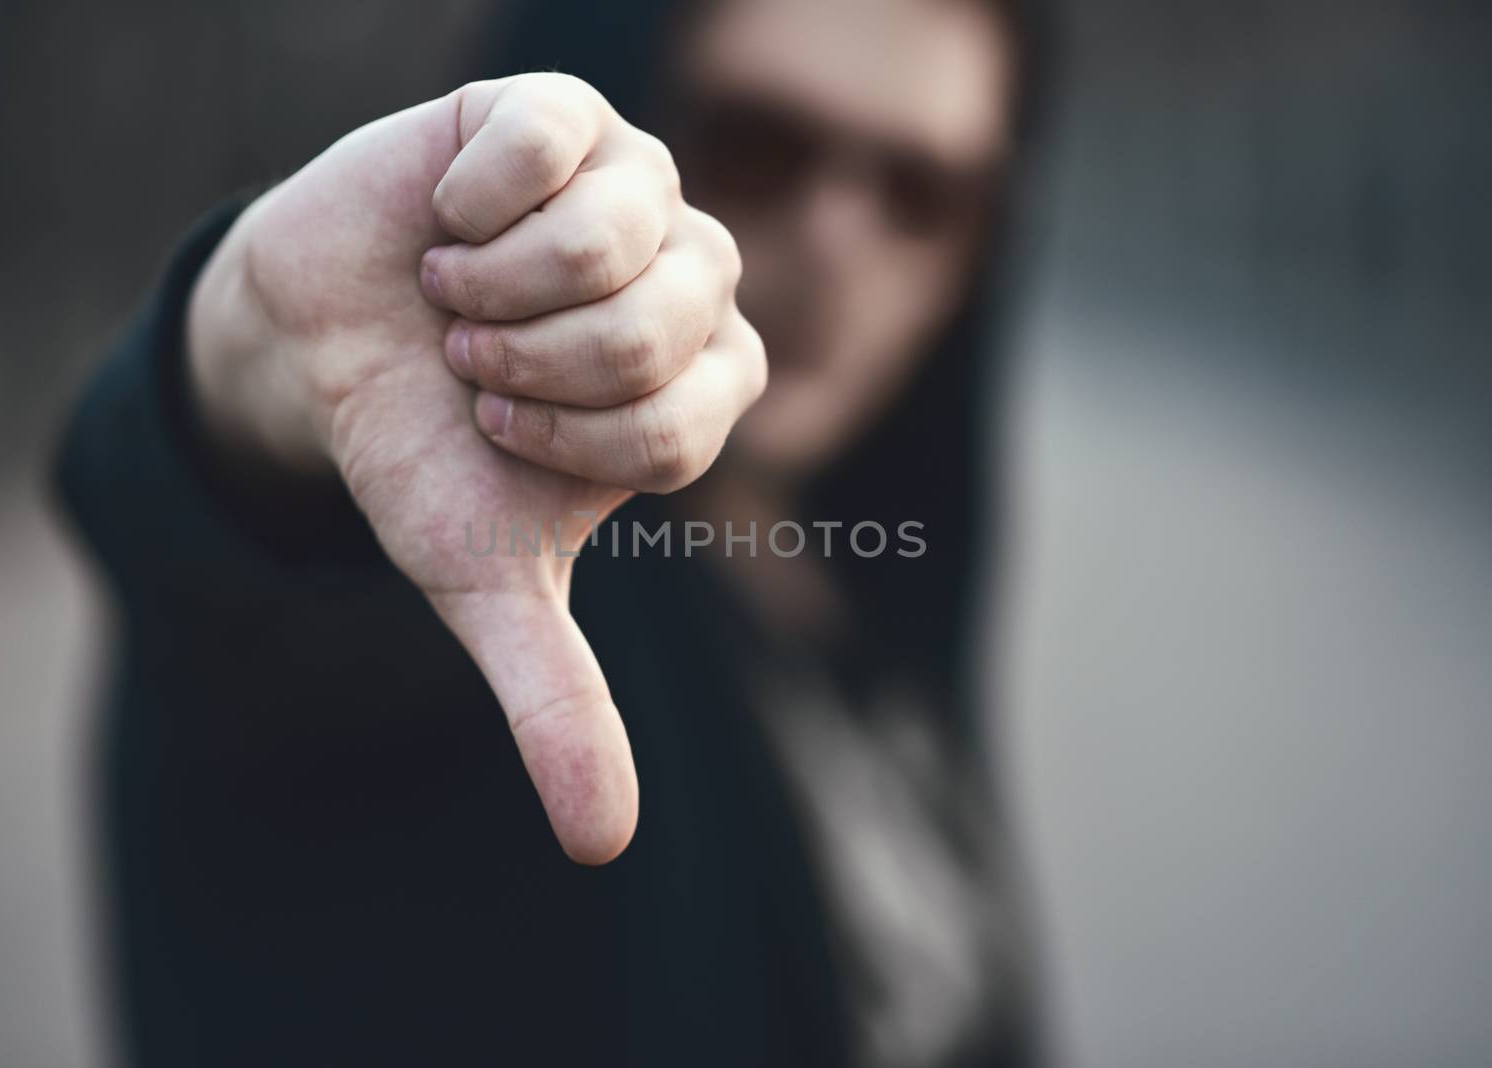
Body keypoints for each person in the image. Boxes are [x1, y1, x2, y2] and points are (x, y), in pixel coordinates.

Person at [57, 0, 1050, 1063]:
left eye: (924, 194)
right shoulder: (463, 578)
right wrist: (253, 353)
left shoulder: (870, 587)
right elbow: (247, 585)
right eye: (759, 146)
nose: (836, 240)